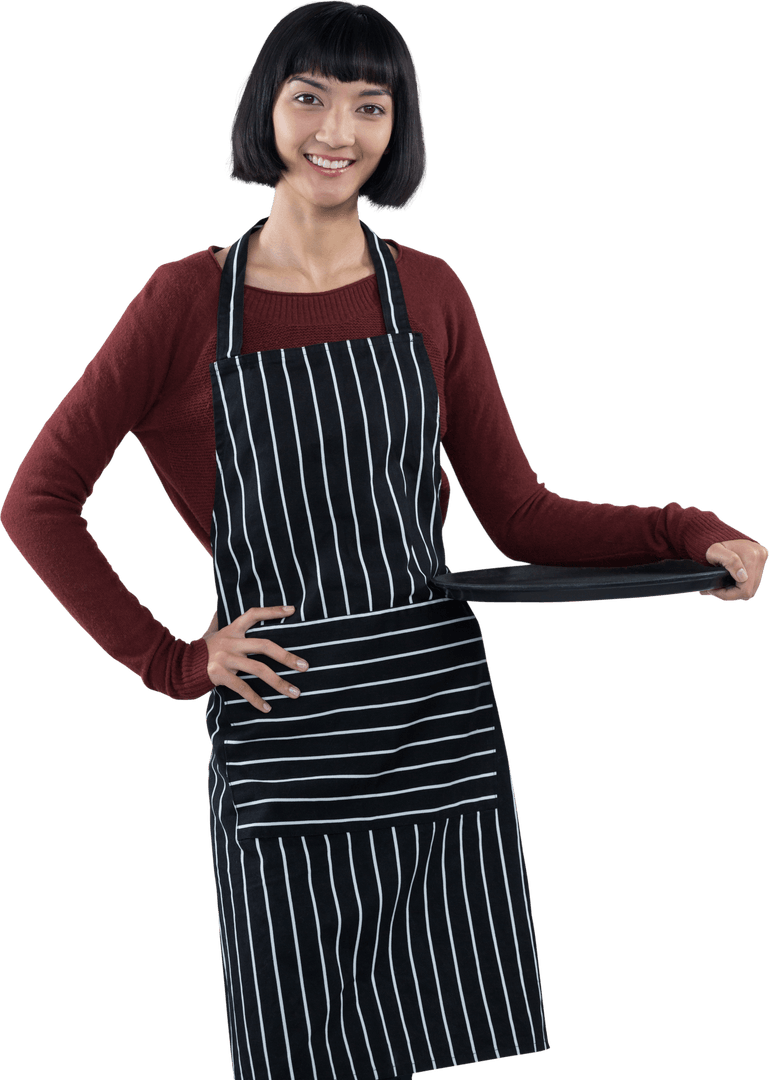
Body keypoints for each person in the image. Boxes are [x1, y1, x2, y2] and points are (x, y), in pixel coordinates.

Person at [2, 3, 766, 1079]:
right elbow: (36, 500)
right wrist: (175, 660)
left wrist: (691, 534)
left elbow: (521, 515)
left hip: (431, 712)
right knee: (296, 1042)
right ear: (265, 107)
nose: (338, 128)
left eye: (371, 103)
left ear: (396, 126)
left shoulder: (432, 294)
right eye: (310, 94)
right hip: (286, 720)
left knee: (432, 1031)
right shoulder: (182, 303)